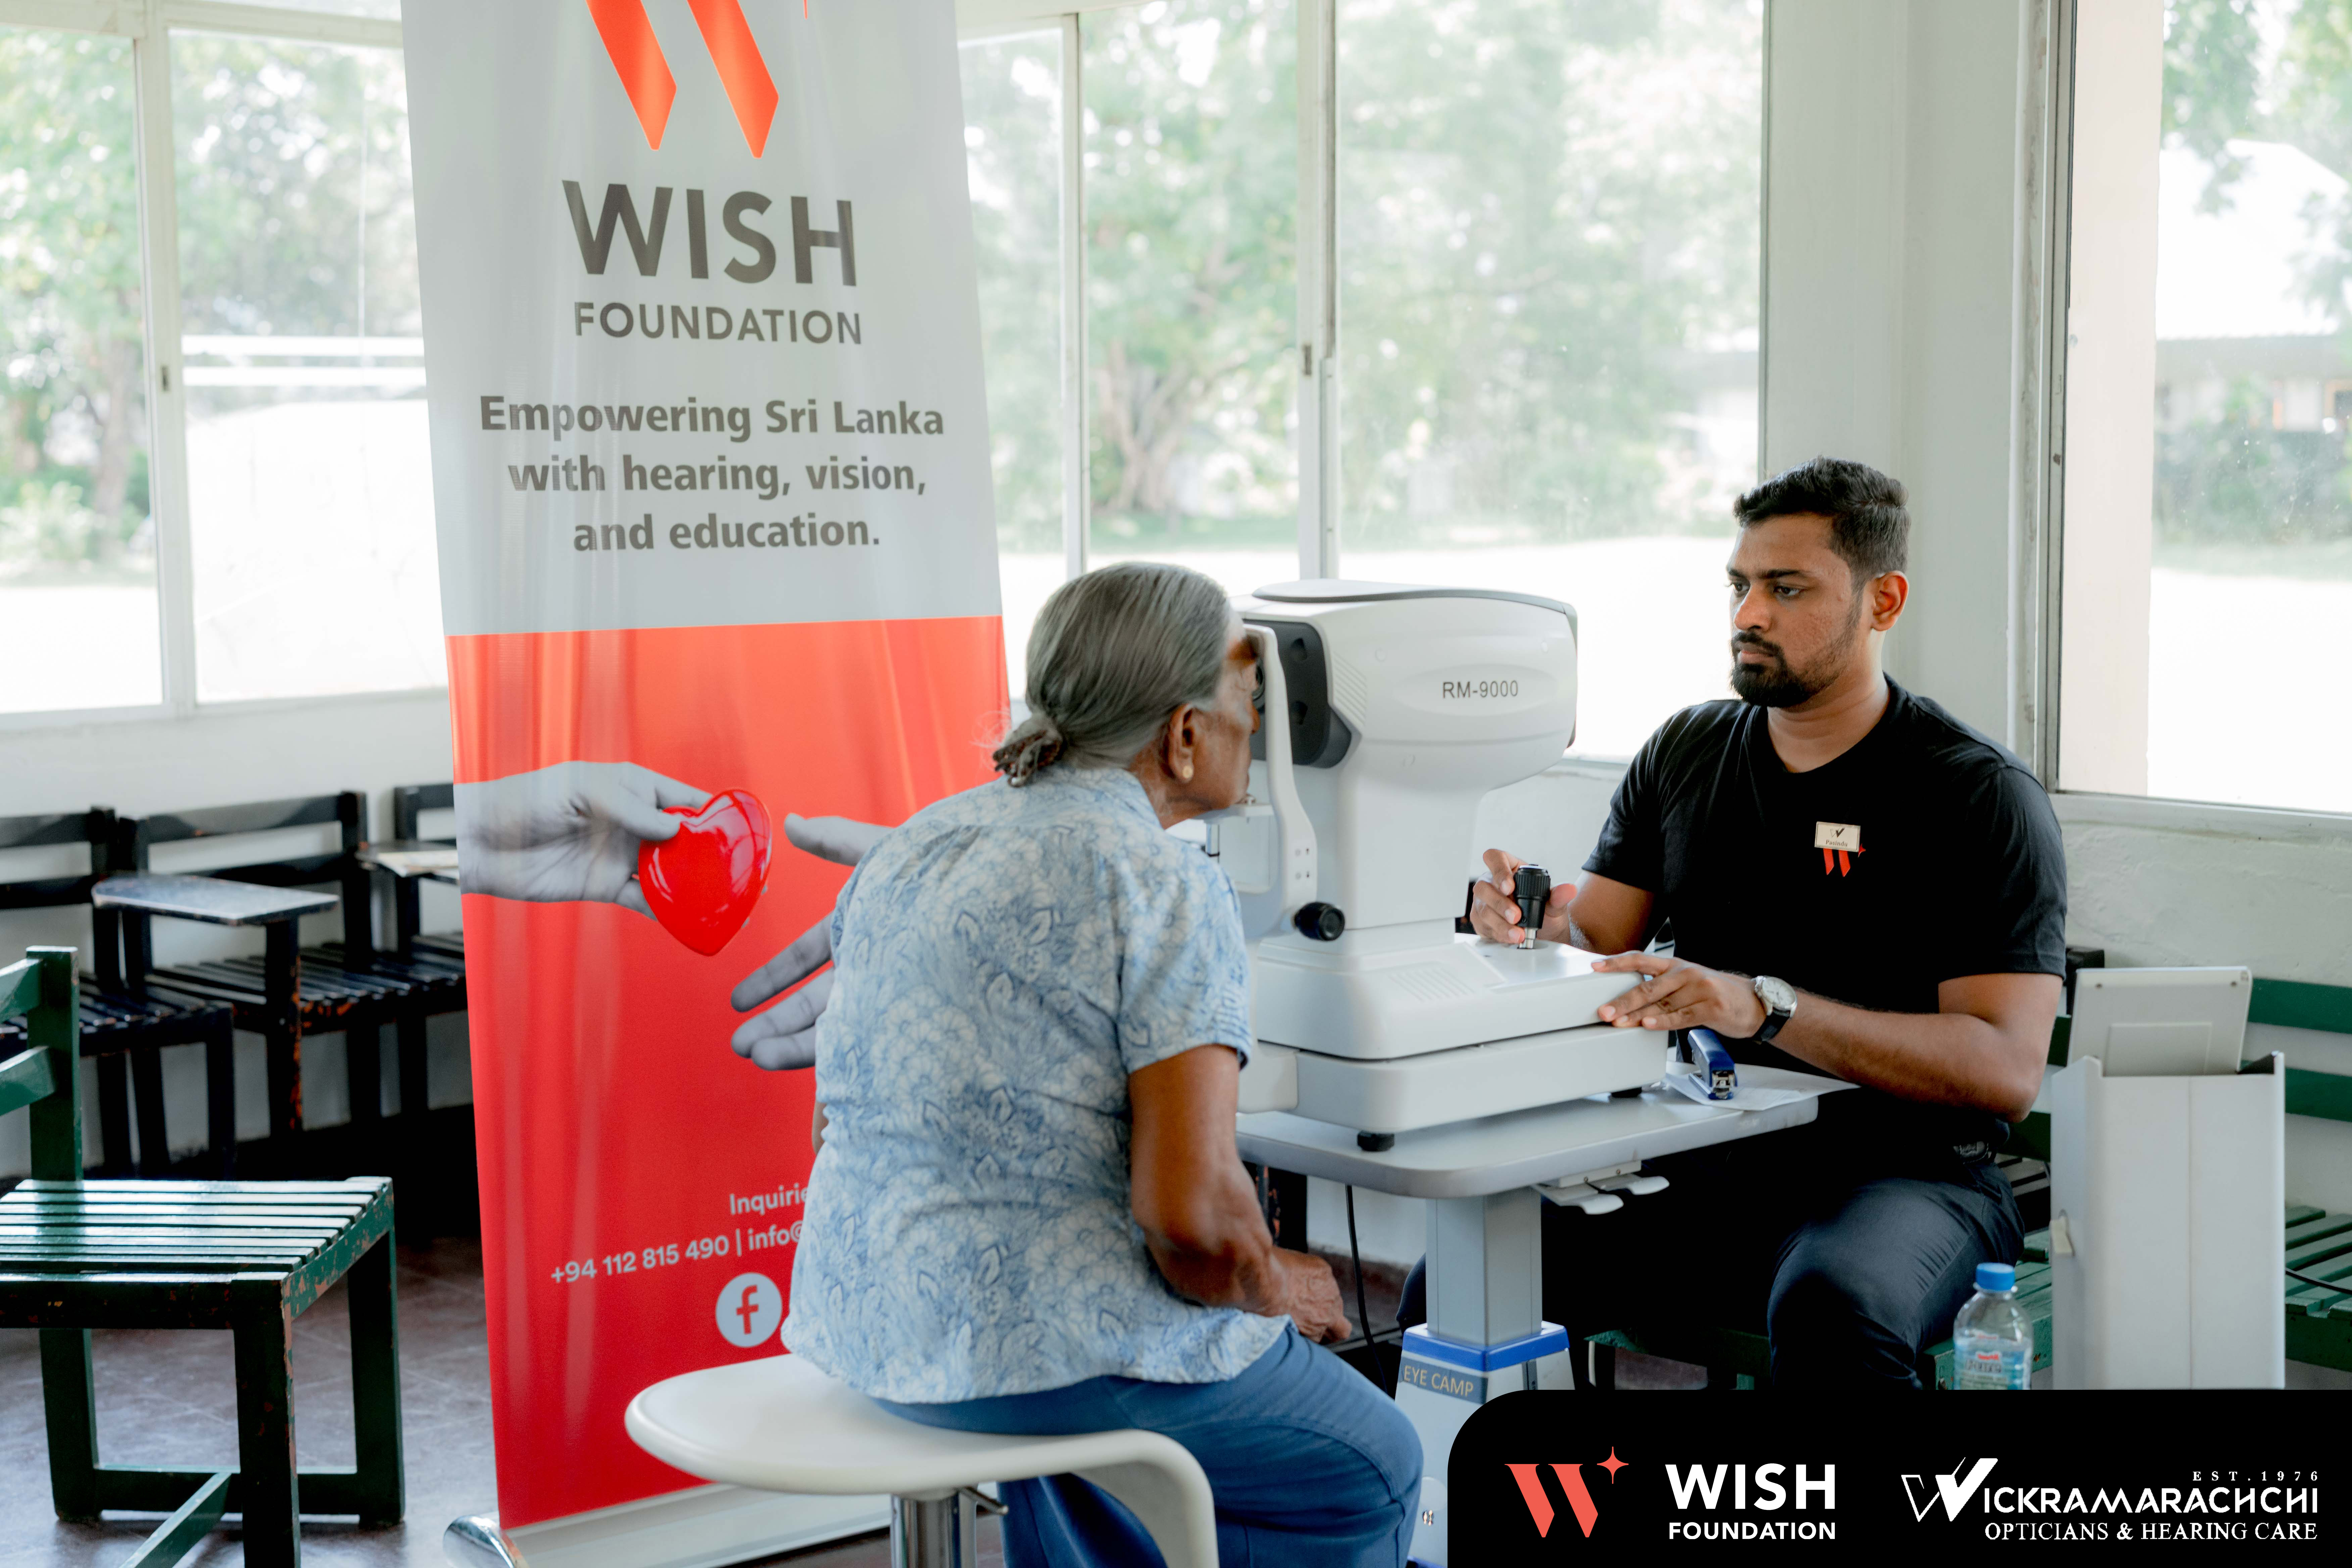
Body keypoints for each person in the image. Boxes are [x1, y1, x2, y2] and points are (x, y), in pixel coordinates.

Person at [783, 561, 1422, 1566]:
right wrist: (1271, 1289)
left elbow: (839, 1121)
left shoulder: (916, 841)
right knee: (1374, 1464)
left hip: (865, 1321)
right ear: (1182, 734)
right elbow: (1191, 1218)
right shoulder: (1161, 880)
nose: (1255, 732)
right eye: (1248, 703)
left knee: (1108, 1422)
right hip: (1031, 1370)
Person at [1410, 456, 2067, 1388]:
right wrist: (1518, 927)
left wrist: (1764, 1006)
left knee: (1833, 1307)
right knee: (1460, 1285)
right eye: (1741, 585)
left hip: (1907, 1178)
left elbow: (2003, 1071)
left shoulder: (1974, 794)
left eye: (1786, 589)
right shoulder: (1687, 750)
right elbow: (1596, 940)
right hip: (1701, 1157)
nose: (1747, 614)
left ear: (1883, 603)